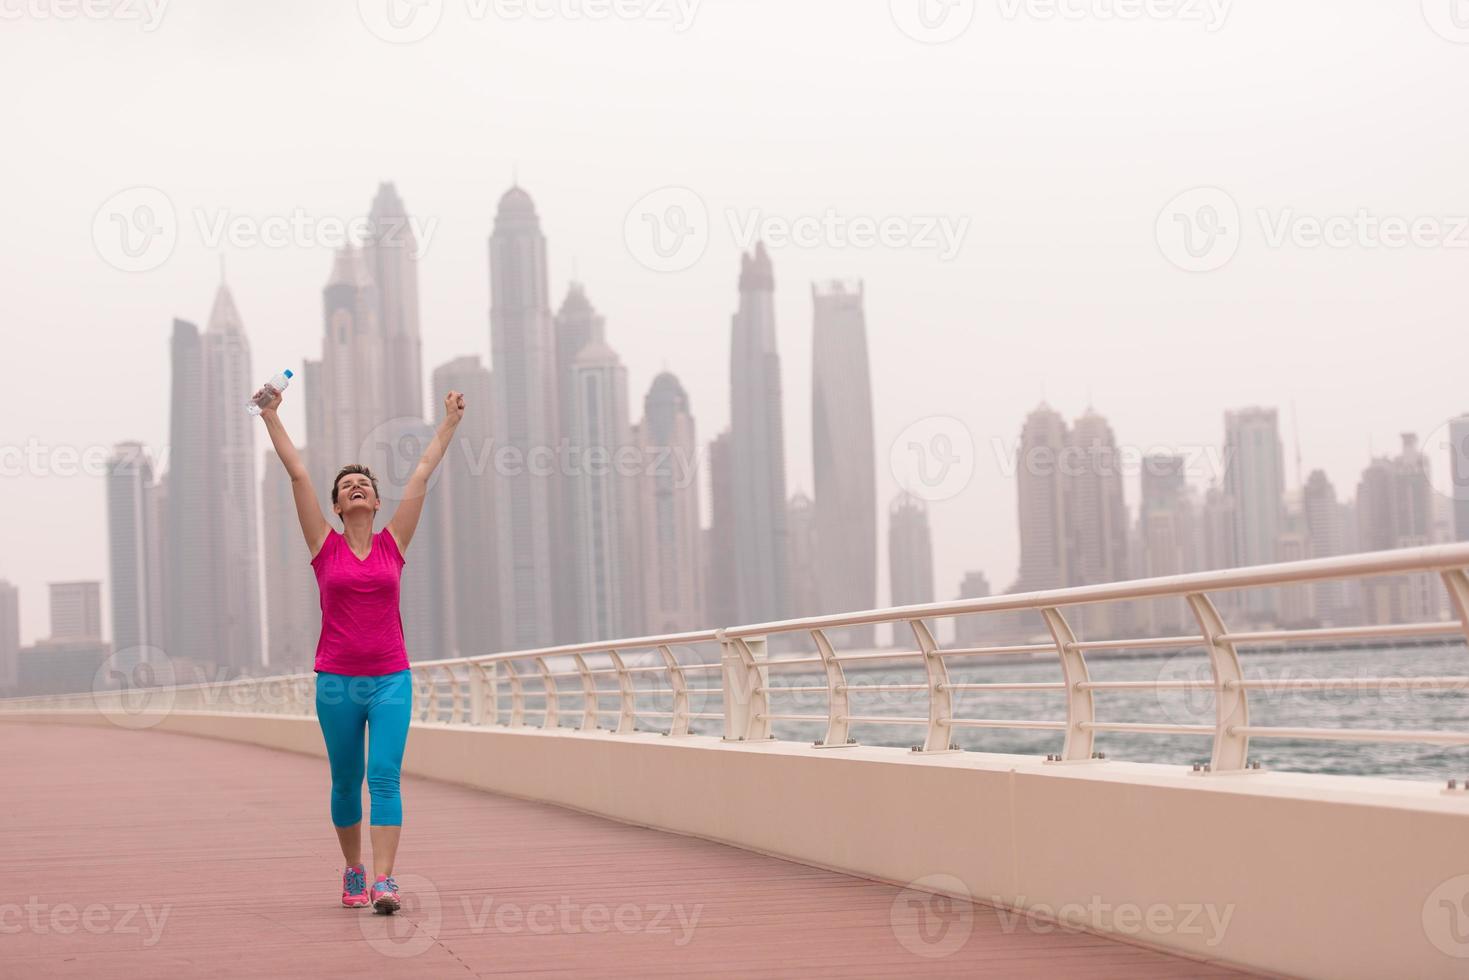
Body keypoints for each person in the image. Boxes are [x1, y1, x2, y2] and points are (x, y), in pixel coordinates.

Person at [255, 384, 465, 913]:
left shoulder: (394, 544)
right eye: (346, 485)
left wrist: (449, 423)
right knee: (346, 780)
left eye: (363, 485)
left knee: (385, 775)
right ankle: (353, 870)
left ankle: (385, 882)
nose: (355, 488)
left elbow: (420, 475)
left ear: (375, 500)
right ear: (336, 504)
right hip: (337, 682)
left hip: (391, 678)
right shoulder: (323, 548)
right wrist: (270, 415)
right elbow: (298, 474)